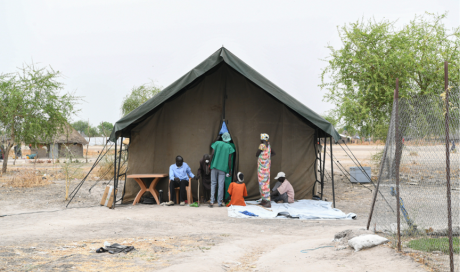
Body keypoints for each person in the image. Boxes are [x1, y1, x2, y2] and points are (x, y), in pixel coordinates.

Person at [209, 132, 235, 208]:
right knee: (221, 185)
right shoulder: (229, 146)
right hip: (223, 169)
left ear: (222, 137)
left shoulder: (216, 143)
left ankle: (211, 202)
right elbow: (230, 160)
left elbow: (212, 154)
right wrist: (229, 170)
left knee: (213, 183)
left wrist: (210, 164)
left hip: (214, 166)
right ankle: (220, 202)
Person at [256, 133, 276, 208]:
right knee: (265, 184)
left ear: (262, 138)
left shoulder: (262, 145)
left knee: (262, 184)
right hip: (266, 169)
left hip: (262, 169)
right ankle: (264, 200)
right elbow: (273, 153)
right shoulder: (269, 146)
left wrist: (263, 157)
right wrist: (267, 157)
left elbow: (257, 154)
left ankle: (267, 202)